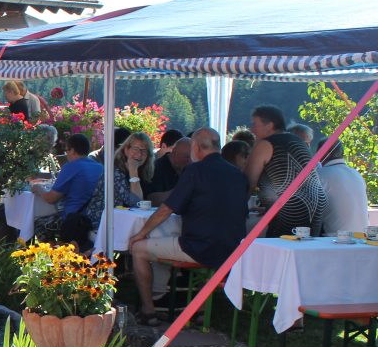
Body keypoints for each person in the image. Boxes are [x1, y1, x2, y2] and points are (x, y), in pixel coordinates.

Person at [128, 128, 248, 325]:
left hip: (199, 247)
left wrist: (141, 233)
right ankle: (198, 308)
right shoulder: (237, 174)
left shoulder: (195, 170)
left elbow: (167, 209)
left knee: (138, 249)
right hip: (233, 247)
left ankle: (148, 310)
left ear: (196, 147)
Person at [244, 104, 326, 235]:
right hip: (316, 205)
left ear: (269, 125)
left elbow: (247, 183)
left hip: (291, 208)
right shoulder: (297, 140)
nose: (251, 129)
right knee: (303, 250)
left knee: (280, 249)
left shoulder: (265, 144)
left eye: (255, 124)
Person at [31, 133, 103, 251]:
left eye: (67, 150)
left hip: (75, 219)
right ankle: (64, 251)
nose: (66, 154)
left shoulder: (71, 166)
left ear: (73, 150)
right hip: (96, 217)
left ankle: (57, 256)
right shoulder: (99, 167)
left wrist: (39, 188)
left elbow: (51, 198)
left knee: (39, 224)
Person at [85, 131, 155, 229]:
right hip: (103, 225)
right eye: (135, 149)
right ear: (126, 149)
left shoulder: (144, 172)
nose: (139, 154)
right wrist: (133, 171)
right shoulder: (115, 171)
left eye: (144, 151)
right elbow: (136, 203)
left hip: (125, 221)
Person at [317, 142, 369, 234]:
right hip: (363, 237)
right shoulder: (356, 174)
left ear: (322, 153)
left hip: (335, 240)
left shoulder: (321, 174)